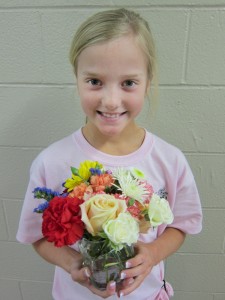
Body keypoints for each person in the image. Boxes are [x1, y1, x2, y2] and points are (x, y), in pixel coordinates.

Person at [17, 8, 202, 300]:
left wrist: (153, 252)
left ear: (148, 82)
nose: (111, 101)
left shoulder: (170, 160)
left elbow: (181, 225)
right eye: (94, 81)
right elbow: (37, 235)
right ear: (76, 78)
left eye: (128, 82)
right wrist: (72, 262)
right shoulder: (51, 162)